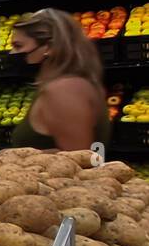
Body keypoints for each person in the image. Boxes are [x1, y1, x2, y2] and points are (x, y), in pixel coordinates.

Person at [10, 9, 111, 151]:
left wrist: (13, 158)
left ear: (50, 47)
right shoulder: (62, 85)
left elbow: (78, 160)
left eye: (18, 46)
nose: (12, 53)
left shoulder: (65, 90)